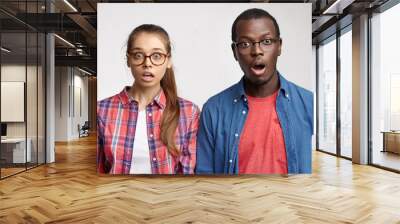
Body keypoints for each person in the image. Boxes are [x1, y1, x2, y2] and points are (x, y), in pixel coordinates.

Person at [196, 8, 313, 174]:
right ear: (235, 52)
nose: (257, 51)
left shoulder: (309, 103)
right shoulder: (214, 109)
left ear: (279, 47)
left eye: (266, 42)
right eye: (245, 44)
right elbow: (204, 177)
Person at [97, 24, 200, 174]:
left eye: (156, 56)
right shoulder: (102, 110)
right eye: (138, 55)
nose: (147, 63)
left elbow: (186, 174)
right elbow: (98, 172)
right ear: (128, 60)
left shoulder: (189, 112)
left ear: (168, 60)